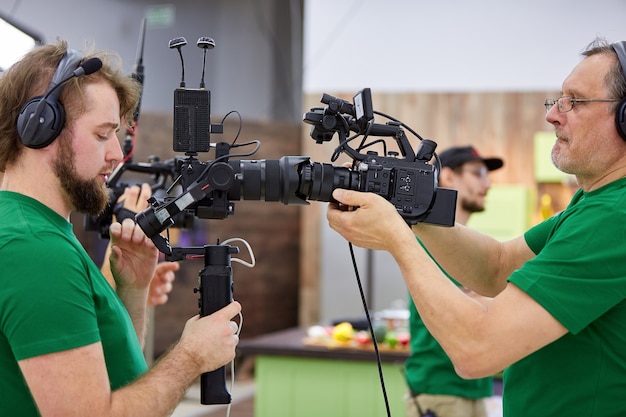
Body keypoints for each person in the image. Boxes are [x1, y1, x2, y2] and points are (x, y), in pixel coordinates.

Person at [327, 37, 626, 417]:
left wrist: (398, 239)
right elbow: (497, 265)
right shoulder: (591, 204)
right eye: (558, 100)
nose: (553, 115)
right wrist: (408, 210)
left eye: (576, 101)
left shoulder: (614, 216)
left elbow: (476, 350)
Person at [0, 39, 241, 417]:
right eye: (102, 134)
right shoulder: (35, 248)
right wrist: (191, 357)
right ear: (40, 129)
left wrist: (131, 289)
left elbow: (111, 373)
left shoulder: (41, 231)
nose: (116, 155)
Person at [405, 146, 503, 417]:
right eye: (478, 173)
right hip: (441, 393)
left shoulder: (467, 245)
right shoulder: (434, 240)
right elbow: (477, 309)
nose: (488, 184)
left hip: (474, 390)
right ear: (447, 176)